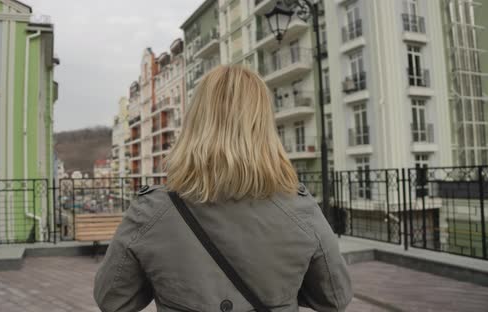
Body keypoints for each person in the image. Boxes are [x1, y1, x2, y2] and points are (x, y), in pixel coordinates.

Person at [94, 65, 353, 312]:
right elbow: (335, 298)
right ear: (263, 127)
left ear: (195, 123)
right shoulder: (300, 210)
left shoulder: (151, 212)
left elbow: (113, 300)